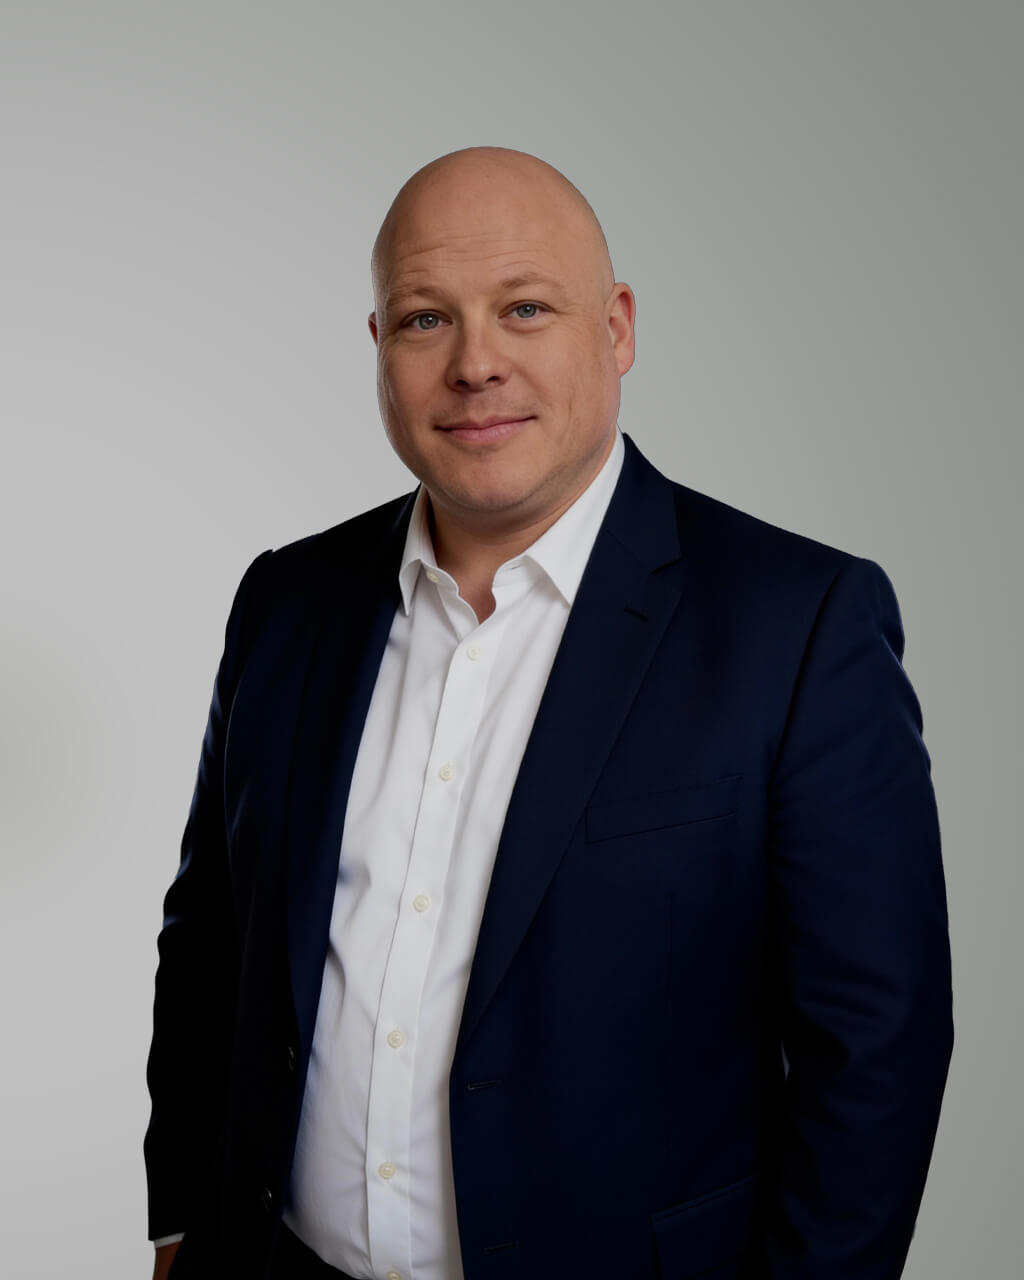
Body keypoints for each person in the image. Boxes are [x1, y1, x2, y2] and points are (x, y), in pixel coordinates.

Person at [145, 147, 953, 1280]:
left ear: (615, 328)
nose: (476, 364)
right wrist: (183, 1216)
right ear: (379, 348)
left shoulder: (794, 626)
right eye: (427, 319)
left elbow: (873, 1049)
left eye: (525, 308)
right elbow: (211, 943)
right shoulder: (287, 602)